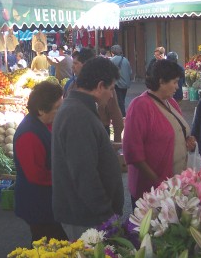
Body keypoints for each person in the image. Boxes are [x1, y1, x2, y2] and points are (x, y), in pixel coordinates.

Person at [51, 57, 125, 240]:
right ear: (100, 86)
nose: (111, 95)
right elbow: (84, 174)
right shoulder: (77, 115)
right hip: (85, 217)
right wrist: (106, 214)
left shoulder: (80, 108)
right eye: (111, 89)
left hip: (88, 214)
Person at [123, 59, 197, 202]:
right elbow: (132, 152)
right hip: (152, 189)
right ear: (161, 81)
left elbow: (177, 130)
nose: (177, 87)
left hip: (175, 184)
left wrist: (187, 140)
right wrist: (158, 181)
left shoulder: (171, 102)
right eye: (174, 82)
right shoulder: (140, 106)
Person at [13, 81, 67, 243]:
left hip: (47, 201)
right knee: (48, 243)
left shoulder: (45, 124)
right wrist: (66, 177)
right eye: (57, 108)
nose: (60, 111)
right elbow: (36, 175)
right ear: (42, 110)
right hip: (37, 203)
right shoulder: (29, 134)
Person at [65, 49, 124, 142]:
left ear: (85, 65)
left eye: (76, 63)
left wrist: (115, 145)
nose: (72, 67)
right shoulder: (72, 86)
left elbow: (118, 121)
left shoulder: (106, 89)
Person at [109, 45, 131, 117]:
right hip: (126, 83)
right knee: (122, 100)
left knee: (119, 101)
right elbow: (130, 72)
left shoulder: (112, 60)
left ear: (113, 52)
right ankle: (122, 115)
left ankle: (122, 116)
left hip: (118, 83)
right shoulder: (125, 60)